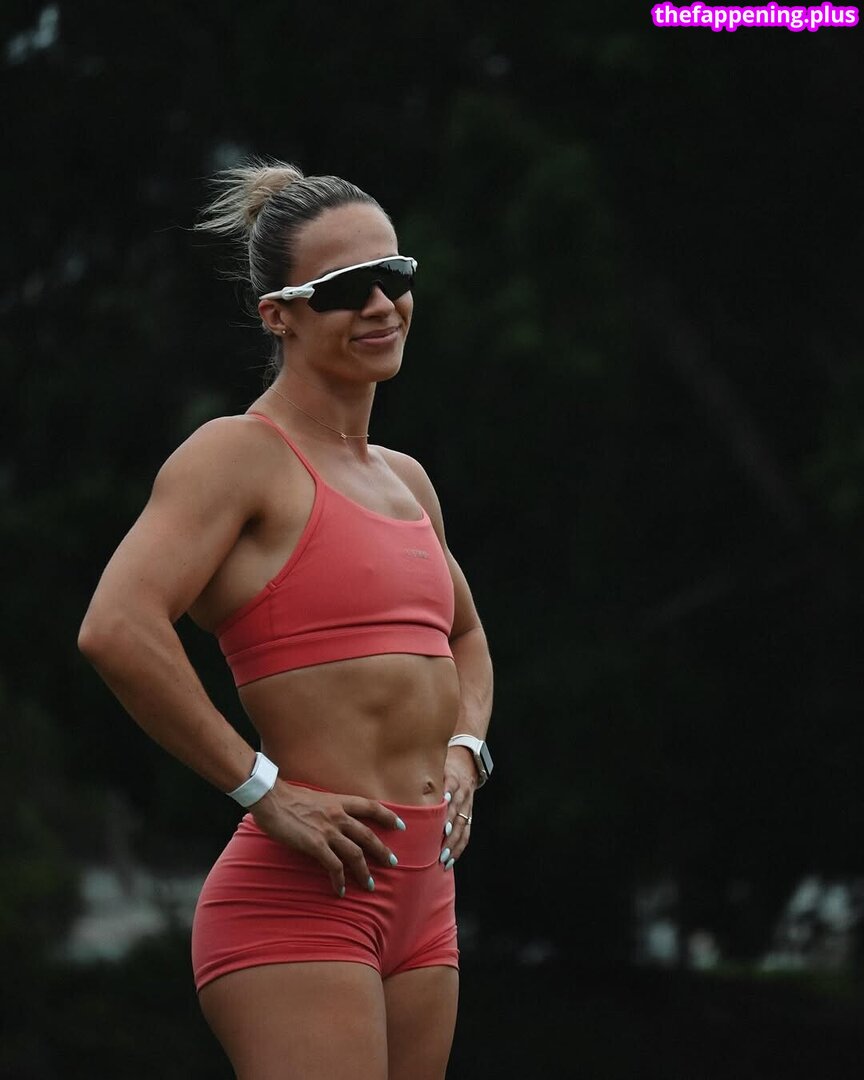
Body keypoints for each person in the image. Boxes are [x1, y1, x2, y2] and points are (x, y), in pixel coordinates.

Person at [77, 159, 494, 1080]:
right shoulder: (237, 457)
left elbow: (463, 636)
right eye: (345, 289)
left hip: (425, 899)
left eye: (394, 275)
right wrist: (263, 790)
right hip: (299, 901)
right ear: (279, 315)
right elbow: (116, 627)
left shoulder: (406, 480)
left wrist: (468, 747)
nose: (381, 304)